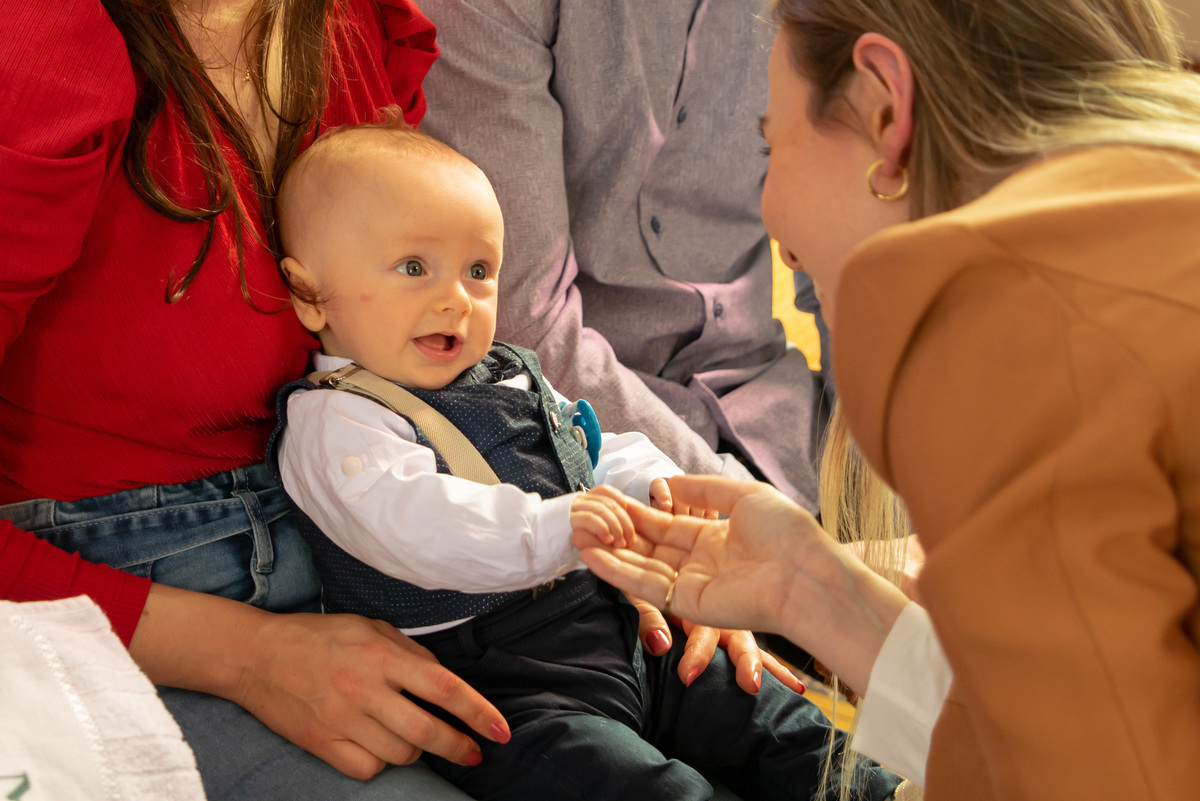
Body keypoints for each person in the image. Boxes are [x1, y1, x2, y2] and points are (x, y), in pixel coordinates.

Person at [579, 1, 1200, 799]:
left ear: (885, 103)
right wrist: (812, 590)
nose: (776, 225)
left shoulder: (983, 306)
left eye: (773, 144)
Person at [270, 119, 904, 801]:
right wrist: (559, 526)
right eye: (414, 268)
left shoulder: (504, 374)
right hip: (508, 685)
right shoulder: (336, 416)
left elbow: (588, 449)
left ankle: (884, 790)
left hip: (620, 623)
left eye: (478, 271)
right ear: (311, 295)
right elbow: (415, 522)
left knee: (766, 714)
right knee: (630, 784)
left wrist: (656, 490)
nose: (456, 297)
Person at [0, 2, 510, 798]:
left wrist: (612, 539)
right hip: (122, 601)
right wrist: (249, 656)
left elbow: (427, 350)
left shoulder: (360, 23)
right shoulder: (38, 47)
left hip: (379, 539)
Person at [416, 0, 829, 512]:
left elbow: (850, 254)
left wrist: (881, 472)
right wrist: (737, 509)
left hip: (789, 422)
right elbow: (514, 315)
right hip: (576, 447)